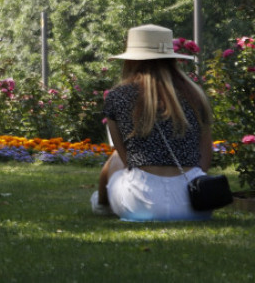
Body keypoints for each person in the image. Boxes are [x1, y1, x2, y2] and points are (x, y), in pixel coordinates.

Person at [92, 24, 215, 221]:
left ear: (131, 60)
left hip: (140, 203)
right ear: (172, 59)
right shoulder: (196, 95)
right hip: (196, 204)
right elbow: (205, 159)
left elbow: (126, 160)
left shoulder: (118, 96)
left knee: (115, 158)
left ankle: (101, 205)